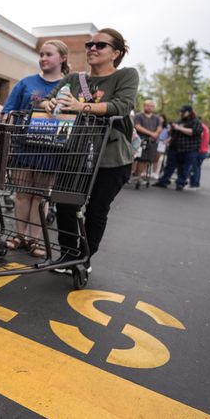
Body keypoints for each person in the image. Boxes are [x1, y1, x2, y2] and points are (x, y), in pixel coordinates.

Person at [40, 28, 138, 273]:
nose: (92, 48)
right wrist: (49, 103)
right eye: (90, 44)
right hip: (75, 153)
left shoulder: (126, 75)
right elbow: (48, 98)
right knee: (64, 204)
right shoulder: (74, 79)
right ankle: (67, 256)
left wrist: (81, 107)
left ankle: (84, 258)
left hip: (112, 157)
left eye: (100, 45)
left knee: (96, 210)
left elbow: (122, 105)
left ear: (115, 53)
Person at [0, 39, 70, 256]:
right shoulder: (26, 83)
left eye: (49, 54)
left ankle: (35, 240)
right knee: (22, 193)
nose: (43, 58)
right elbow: (8, 111)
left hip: (51, 147)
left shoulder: (70, 86)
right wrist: (9, 136)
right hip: (23, 144)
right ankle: (20, 236)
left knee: (39, 196)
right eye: (41, 54)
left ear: (63, 58)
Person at [155, 106, 203, 191]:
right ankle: (163, 182)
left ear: (189, 112)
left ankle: (180, 184)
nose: (181, 113)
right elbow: (172, 134)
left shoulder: (196, 122)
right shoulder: (179, 121)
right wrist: (172, 128)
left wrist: (178, 128)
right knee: (169, 166)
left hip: (189, 149)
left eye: (183, 112)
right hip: (175, 148)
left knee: (184, 168)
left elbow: (193, 132)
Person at [132, 100, 161, 182]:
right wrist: (152, 133)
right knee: (136, 158)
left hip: (151, 142)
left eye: (151, 106)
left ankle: (139, 175)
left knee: (146, 160)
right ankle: (134, 174)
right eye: (147, 105)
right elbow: (137, 126)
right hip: (139, 141)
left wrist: (156, 133)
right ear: (144, 106)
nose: (149, 107)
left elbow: (159, 127)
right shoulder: (138, 116)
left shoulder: (156, 118)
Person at [189, 120, 210, 190]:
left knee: (194, 168)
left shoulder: (201, 127)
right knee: (197, 168)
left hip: (199, 151)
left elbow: (199, 137)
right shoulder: (206, 127)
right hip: (204, 151)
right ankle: (196, 184)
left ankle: (193, 185)